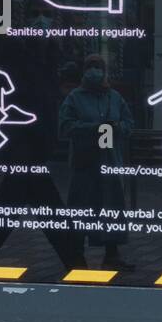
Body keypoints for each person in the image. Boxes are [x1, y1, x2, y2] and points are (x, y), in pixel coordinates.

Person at [59, 55, 135, 269]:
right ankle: (76, 256)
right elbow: (65, 127)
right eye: (90, 67)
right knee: (81, 208)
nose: (94, 71)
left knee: (111, 207)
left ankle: (112, 254)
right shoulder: (75, 98)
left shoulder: (114, 97)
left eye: (98, 67)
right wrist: (92, 128)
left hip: (110, 162)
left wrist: (116, 127)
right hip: (85, 162)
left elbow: (129, 124)